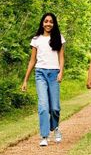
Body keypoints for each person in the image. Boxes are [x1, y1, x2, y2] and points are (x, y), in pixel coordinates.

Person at [21, 12, 65, 147]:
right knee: (43, 106)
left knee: (55, 108)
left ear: (54, 24)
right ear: (42, 23)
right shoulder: (36, 39)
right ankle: (44, 135)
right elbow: (32, 60)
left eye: (51, 21)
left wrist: (61, 72)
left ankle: (55, 127)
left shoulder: (59, 38)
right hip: (40, 73)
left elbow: (61, 57)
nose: (48, 24)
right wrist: (25, 80)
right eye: (46, 21)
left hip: (54, 74)